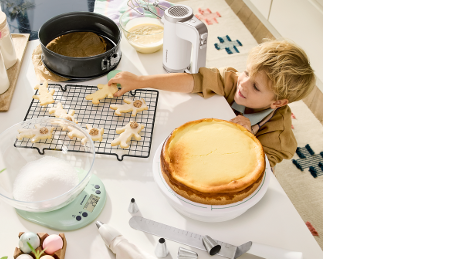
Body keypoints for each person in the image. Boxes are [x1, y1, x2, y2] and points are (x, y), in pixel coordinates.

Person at [108, 40, 316, 167]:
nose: (243, 83)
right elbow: (193, 81)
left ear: (278, 102)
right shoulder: (232, 80)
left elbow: (262, 167)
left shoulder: (278, 133)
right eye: (246, 72)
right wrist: (140, 81)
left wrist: (248, 137)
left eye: (255, 87)